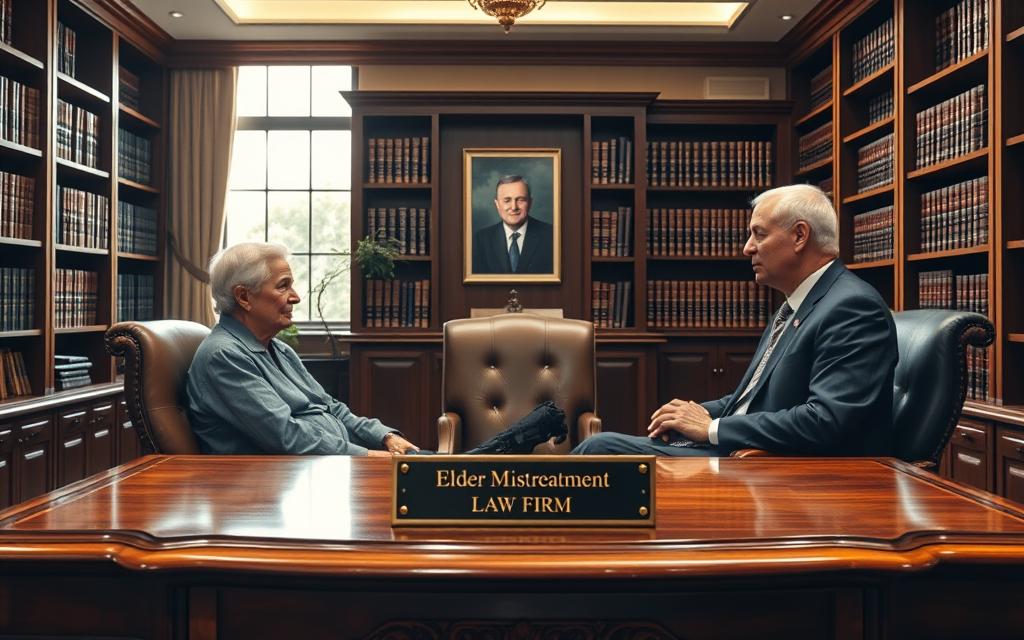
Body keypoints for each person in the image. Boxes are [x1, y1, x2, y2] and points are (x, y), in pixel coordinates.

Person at [573, 184, 897, 457]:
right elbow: (752, 399)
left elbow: (828, 420)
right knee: (600, 448)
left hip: (774, 467)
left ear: (800, 236)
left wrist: (711, 428)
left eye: (759, 234)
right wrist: (694, 414)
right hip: (742, 450)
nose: (747, 248)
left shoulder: (851, 307)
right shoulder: (794, 307)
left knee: (600, 450)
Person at [186, 242, 420, 456]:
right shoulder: (223, 357)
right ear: (244, 296)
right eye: (283, 286)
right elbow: (287, 437)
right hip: (273, 482)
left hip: (322, 468)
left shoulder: (279, 349)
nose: (296, 297)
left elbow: (332, 408)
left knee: (442, 471)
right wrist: (370, 457)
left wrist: (385, 437)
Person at [472, 175, 554, 274]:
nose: (514, 207)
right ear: (497, 204)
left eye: (520, 200)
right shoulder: (480, 240)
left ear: (530, 202)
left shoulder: (552, 236)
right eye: (507, 200)